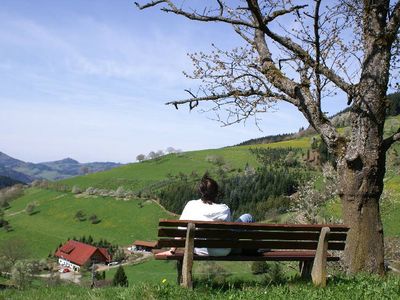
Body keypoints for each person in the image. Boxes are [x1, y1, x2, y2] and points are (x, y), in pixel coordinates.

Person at [157, 175, 253, 257]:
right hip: (222, 251)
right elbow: (228, 232)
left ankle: (240, 249)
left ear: (201, 191)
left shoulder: (191, 205)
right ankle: (253, 248)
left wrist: (172, 250)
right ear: (216, 192)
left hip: (198, 250)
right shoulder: (224, 209)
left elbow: (181, 231)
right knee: (247, 217)